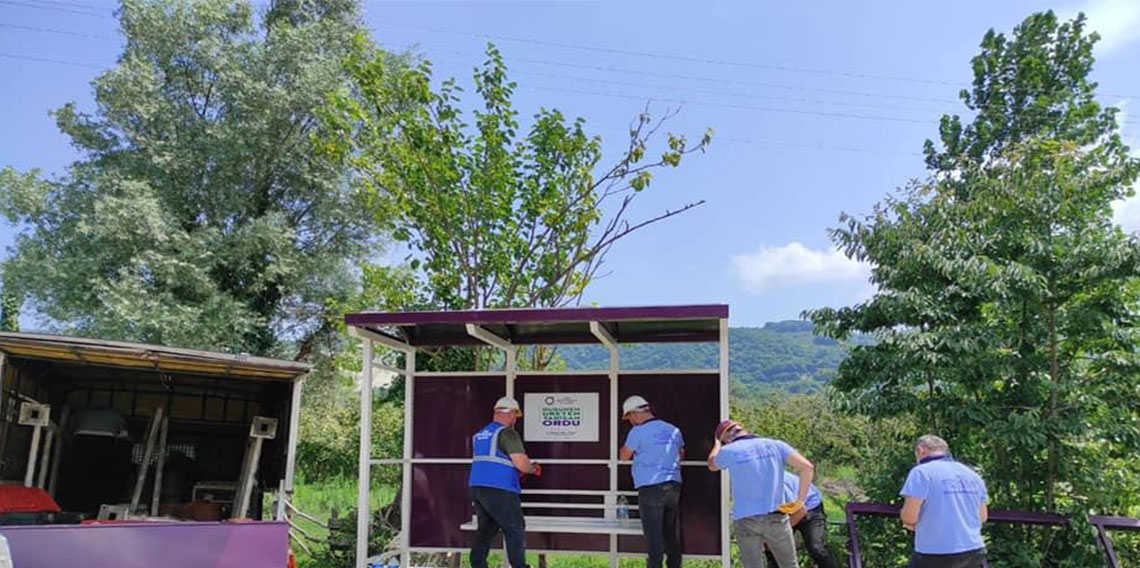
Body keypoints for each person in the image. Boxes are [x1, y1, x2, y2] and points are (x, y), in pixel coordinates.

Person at [707, 419, 815, 568]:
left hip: (745, 519)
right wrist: (800, 501)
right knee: (790, 565)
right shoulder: (776, 445)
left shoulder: (729, 451)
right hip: (776, 516)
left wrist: (717, 445)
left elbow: (712, 465)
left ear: (727, 439)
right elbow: (807, 467)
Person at [468, 397, 541, 568]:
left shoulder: (481, 434)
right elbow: (520, 462)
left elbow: (493, 460)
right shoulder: (507, 433)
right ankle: (519, 566)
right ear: (511, 413)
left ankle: (477, 564)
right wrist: (532, 468)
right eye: (516, 415)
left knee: (486, 528)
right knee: (515, 527)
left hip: (478, 486)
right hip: (500, 487)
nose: (515, 420)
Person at [899, 435, 988, 568]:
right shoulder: (972, 474)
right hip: (973, 549)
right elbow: (982, 517)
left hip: (936, 551)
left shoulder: (921, 472)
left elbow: (910, 517)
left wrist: (908, 522)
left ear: (920, 450)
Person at [619, 395, 684, 568]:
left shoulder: (637, 432)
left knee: (654, 538)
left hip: (650, 488)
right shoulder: (673, 430)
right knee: (670, 534)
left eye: (630, 417)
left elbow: (624, 456)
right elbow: (681, 455)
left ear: (635, 414)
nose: (631, 421)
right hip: (674, 486)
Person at [772, 472, 838, 568]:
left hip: (810, 506)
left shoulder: (777, 484)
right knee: (774, 548)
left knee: (816, 548)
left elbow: (801, 511)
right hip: (783, 510)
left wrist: (781, 531)